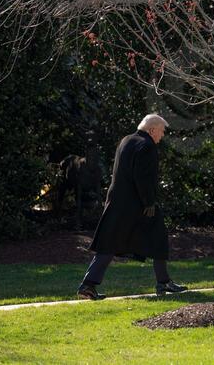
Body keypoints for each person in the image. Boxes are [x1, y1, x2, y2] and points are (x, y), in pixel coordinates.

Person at [77, 114, 188, 300]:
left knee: (109, 243)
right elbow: (143, 178)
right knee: (159, 236)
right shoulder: (147, 146)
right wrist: (149, 202)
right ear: (152, 130)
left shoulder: (126, 140)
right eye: (162, 131)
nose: (162, 135)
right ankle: (163, 282)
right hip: (138, 204)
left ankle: (87, 285)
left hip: (117, 202)